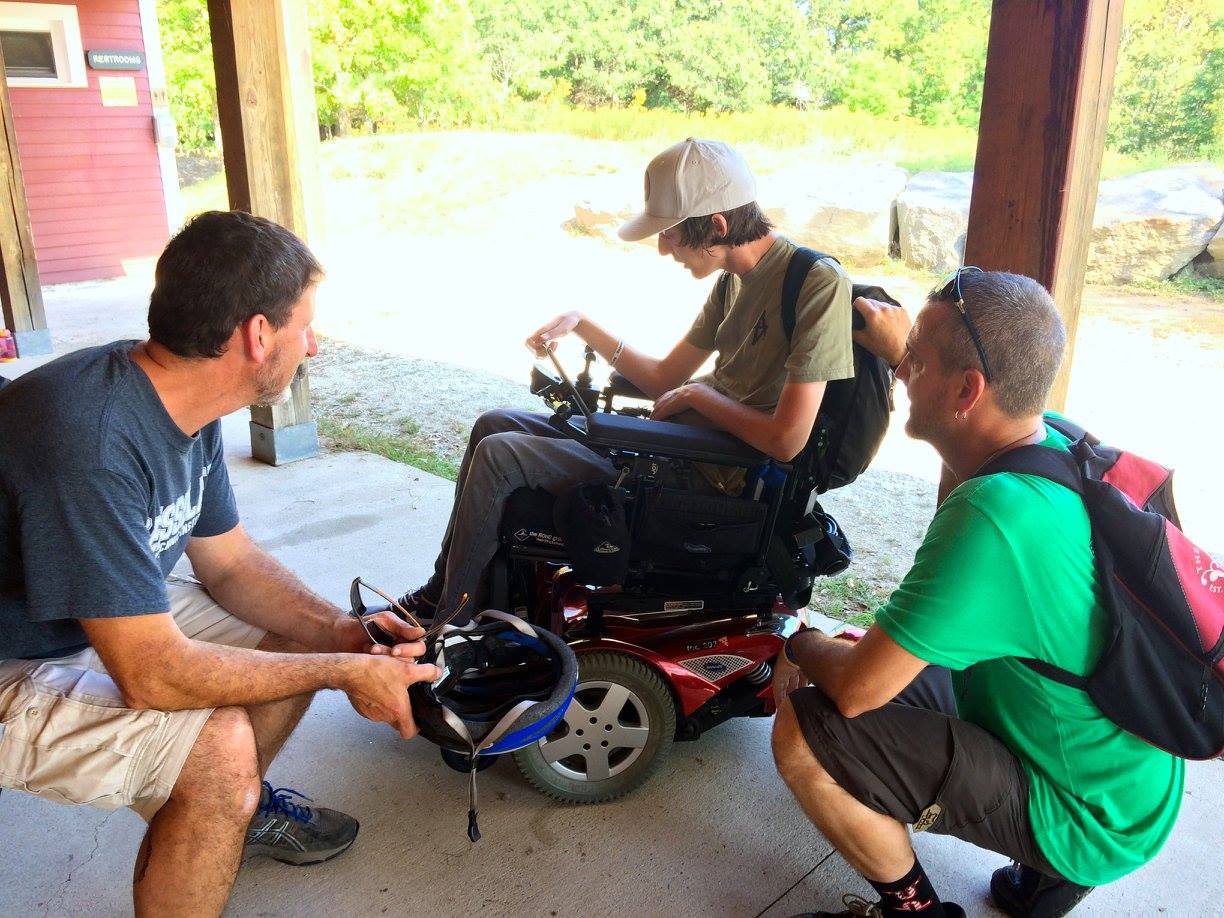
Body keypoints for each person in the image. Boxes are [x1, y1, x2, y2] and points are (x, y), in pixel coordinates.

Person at [0, 211, 440, 918]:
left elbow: (229, 564)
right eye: (305, 327)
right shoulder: (93, 443)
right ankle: (221, 798)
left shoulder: (179, 399)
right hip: (12, 651)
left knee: (309, 635)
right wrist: (341, 673)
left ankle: (230, 814)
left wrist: (341, 633)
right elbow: (150, 673)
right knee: (217, 750)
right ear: (258, 335)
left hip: (77, 604)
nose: (314, 346)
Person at [770, 269, 1183, 918]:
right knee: (881, 657)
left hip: (1090, 817)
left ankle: (919, 912)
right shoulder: (1056, 439)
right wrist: (908, 351)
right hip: (1128, 779)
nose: (903, 370)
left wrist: (802, 642)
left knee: (805, 727)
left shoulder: (994, 519)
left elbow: (854, 690)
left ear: (967, 389)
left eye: (917, 360)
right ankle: (1047, 882)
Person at [396, 137, 854, 620]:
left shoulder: (816, 283)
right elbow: (664, 378)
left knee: (500, 454)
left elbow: (787, 439)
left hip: (709, 480)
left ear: (716, 225)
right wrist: (583, 324)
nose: (662, 247)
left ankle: (443, 617)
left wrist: (698, 395)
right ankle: (446, 586)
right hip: (677, 448)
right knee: (493, 423)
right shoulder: (731, 282)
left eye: (671, 233)